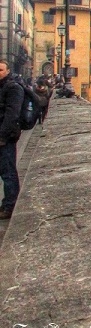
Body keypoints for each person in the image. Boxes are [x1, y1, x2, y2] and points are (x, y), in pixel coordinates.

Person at [0, 60, 24, 220]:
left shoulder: (13, 87)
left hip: (5, 138)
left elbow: (12, 114)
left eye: (0, 70)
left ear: (7, 71)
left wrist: (2, 136)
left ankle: (10, 206)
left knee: (8, 172)